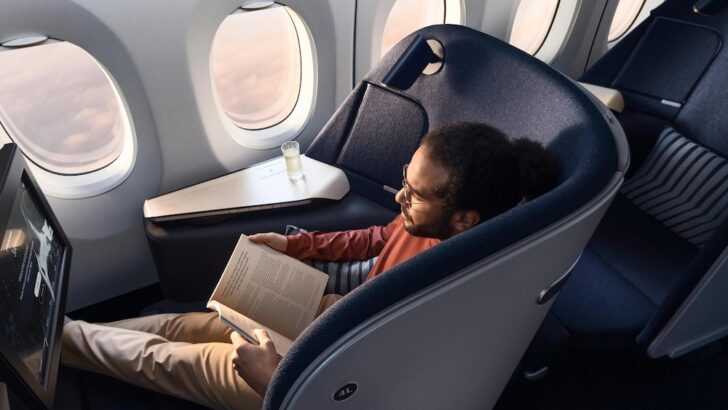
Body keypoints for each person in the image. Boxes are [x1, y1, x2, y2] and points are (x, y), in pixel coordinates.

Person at [61, 122, 557, 410]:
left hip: (326, 365)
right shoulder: (426, 223)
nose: (399, 196)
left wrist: (276, 378)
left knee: (168, 360)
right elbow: (378, 237)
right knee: (185, 324)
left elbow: (375, 389)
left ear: (465, 221)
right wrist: (294, 245)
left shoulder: (452, 296)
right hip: (337, 317)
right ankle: (66, 334)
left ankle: (45, 342)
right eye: (406, 178)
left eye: (416, 193)